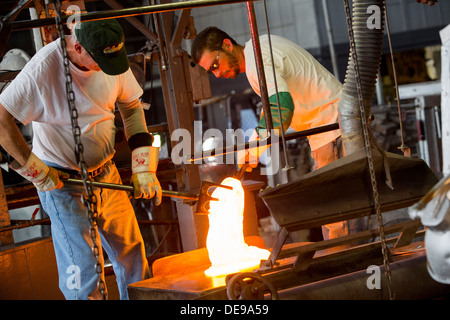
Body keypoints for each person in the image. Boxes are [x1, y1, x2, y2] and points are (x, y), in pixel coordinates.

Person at [0, 19, 162, 300]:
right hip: (63, 185)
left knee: (134, 259)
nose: (107, 69)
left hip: (108, 175)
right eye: (100, 61)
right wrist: (35, 169)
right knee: (84, 275)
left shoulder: (111, 59)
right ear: (78, 47)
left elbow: (132, 108)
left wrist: (143, 168)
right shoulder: (43, 69)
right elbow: (2, 122)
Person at [191, 27, 350, 240]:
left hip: (333, 126)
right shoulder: (260, 49)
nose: (217, 74)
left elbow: (281, 107)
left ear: (227, 45)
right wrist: (254, 145)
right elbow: (274, 107)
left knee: (338, 213)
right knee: (336, 208)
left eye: (215, 65)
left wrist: (255, 148)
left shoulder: (257, 59)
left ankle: (354, 267)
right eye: (212, 71)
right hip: (331, 125)